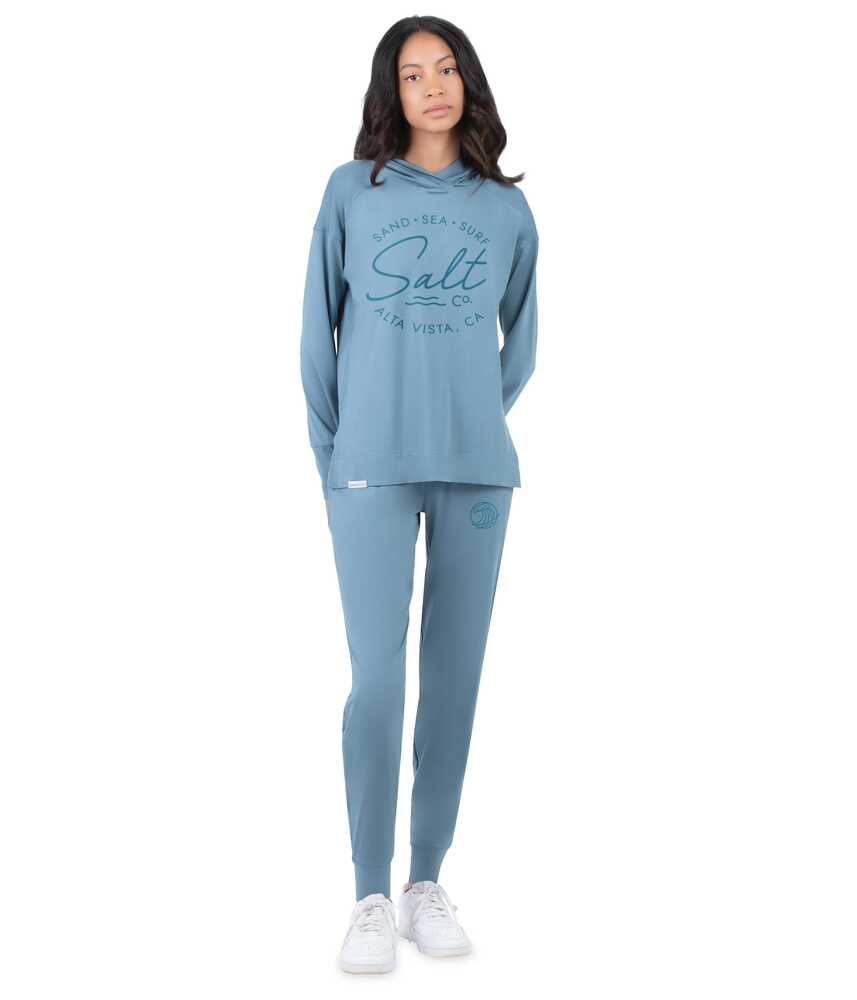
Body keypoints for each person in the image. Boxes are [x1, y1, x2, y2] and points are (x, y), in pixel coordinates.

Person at [299, 16, 539, 974]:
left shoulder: (505, 209)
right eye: (412, 73)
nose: (432, 86)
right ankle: (368, 890)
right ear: (389, 92)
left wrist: (470, 413)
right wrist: (334, 452)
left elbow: (520, 342)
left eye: (446, 69)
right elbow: (317, 330)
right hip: (367, 467)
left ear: (467, 82)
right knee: (377, 679)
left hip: (477, 468)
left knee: (454, 680)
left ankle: (423, 883)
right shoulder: (350, 192)